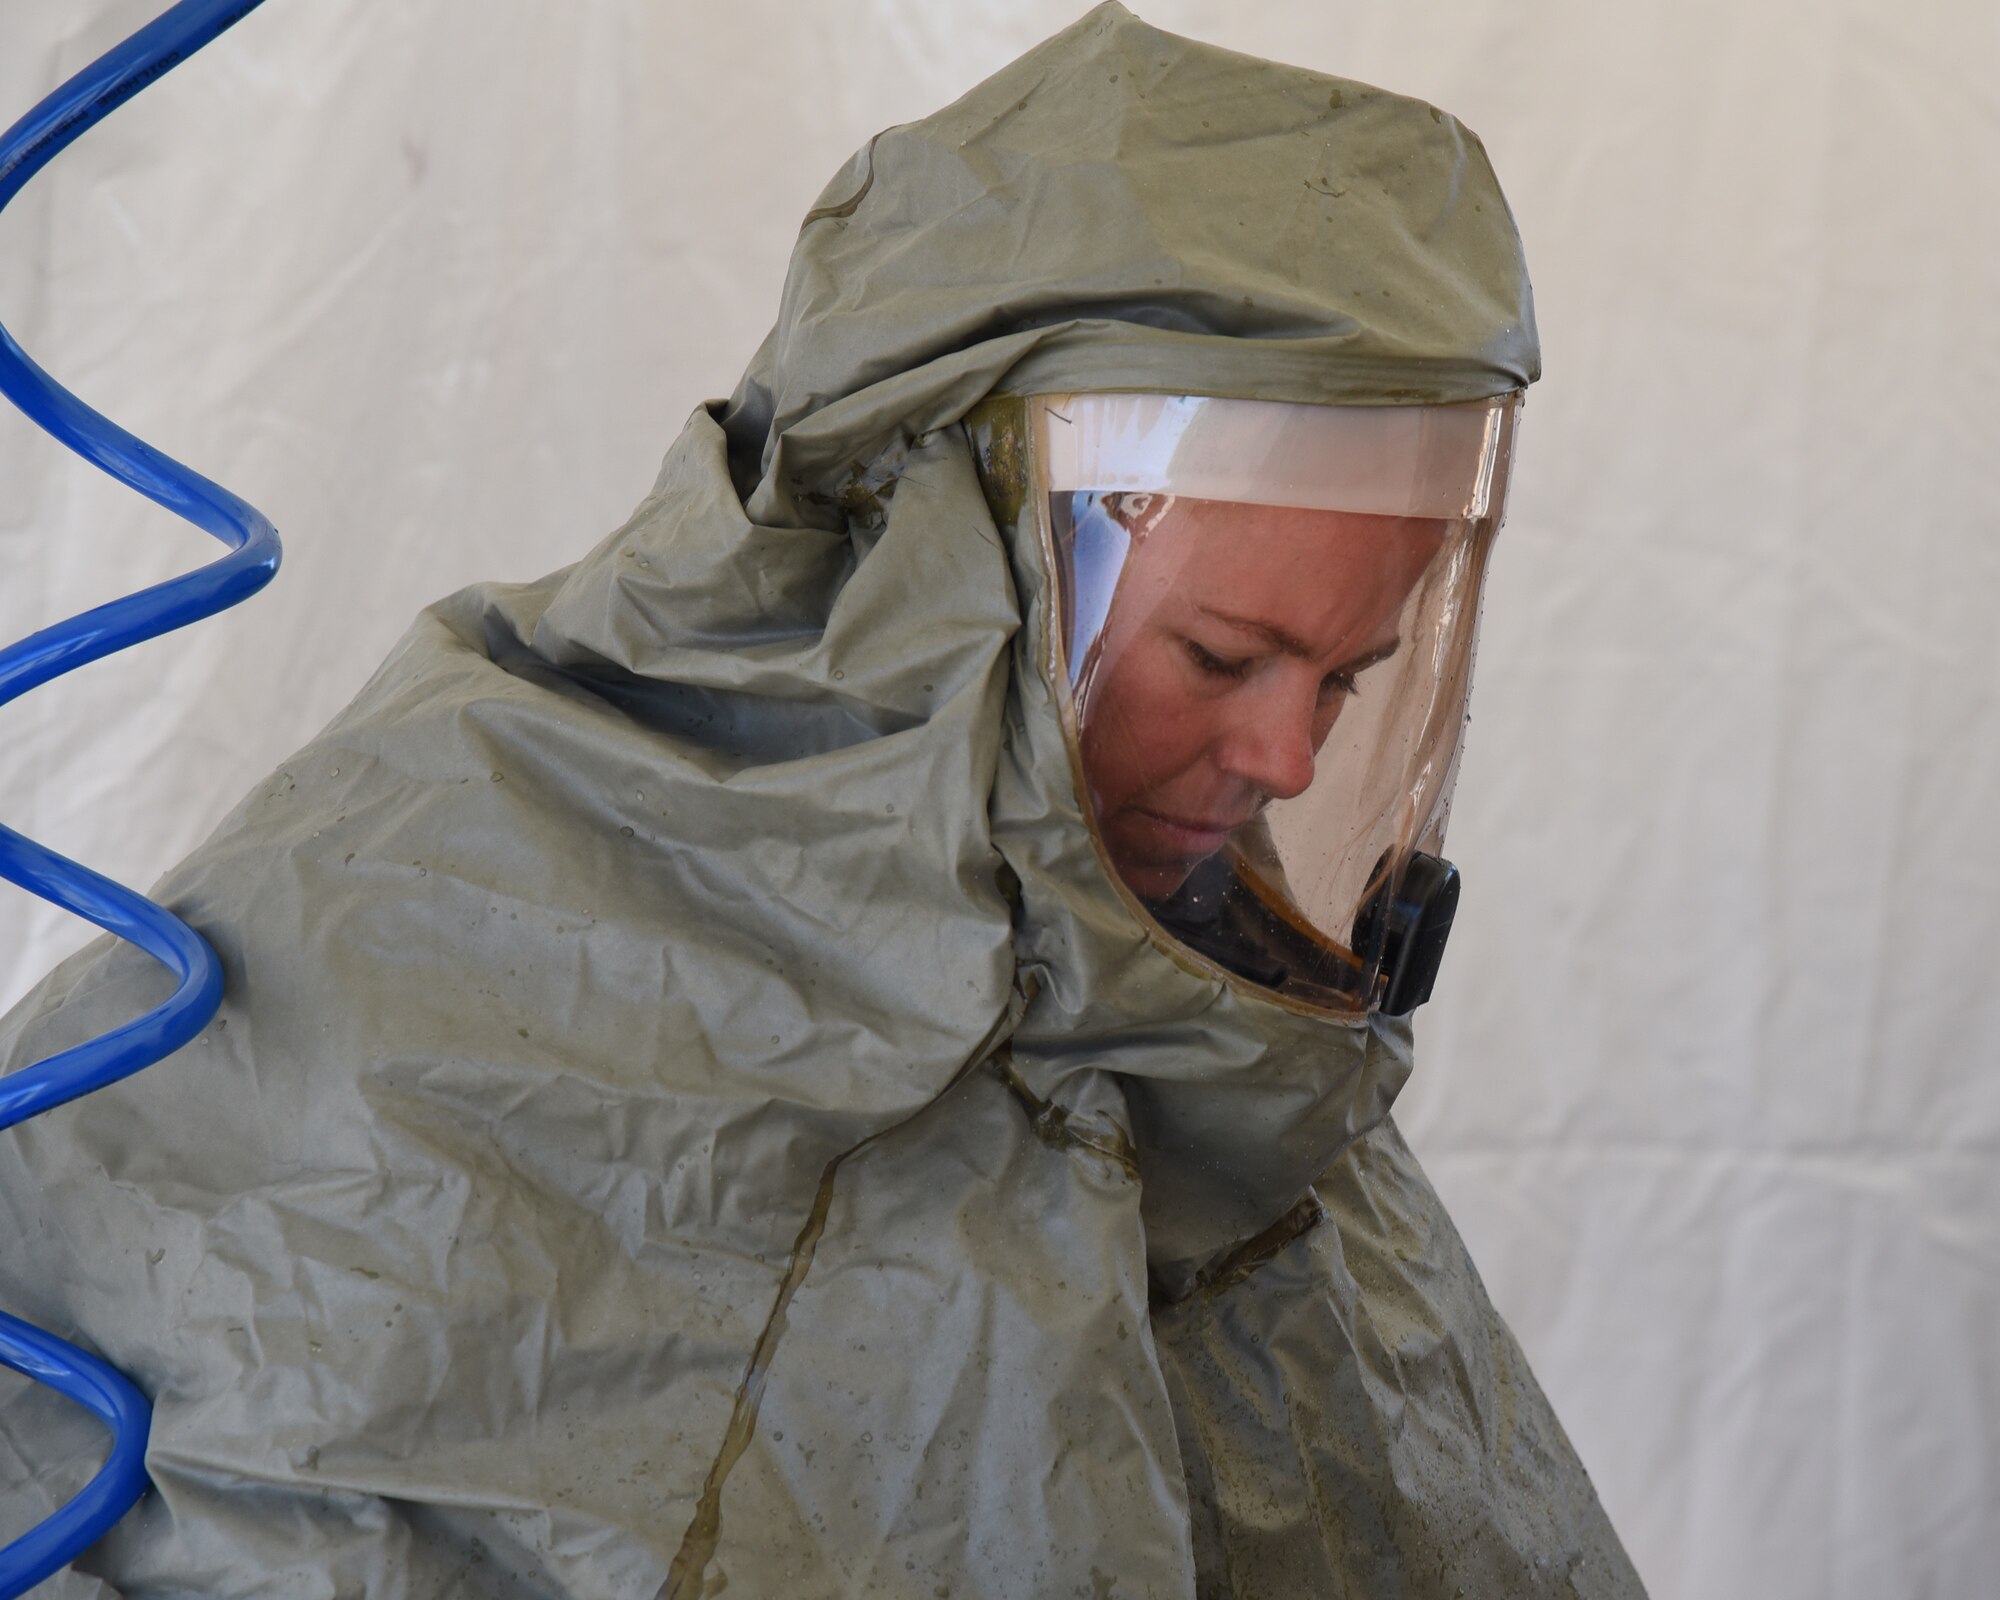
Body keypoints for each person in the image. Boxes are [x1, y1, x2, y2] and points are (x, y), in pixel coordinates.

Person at [0, 6, 1646, 1596]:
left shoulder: (1212, 1057)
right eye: (1220, 655)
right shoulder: (420, 948)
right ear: (937, 557)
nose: (1288, 761)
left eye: (1348, 680)